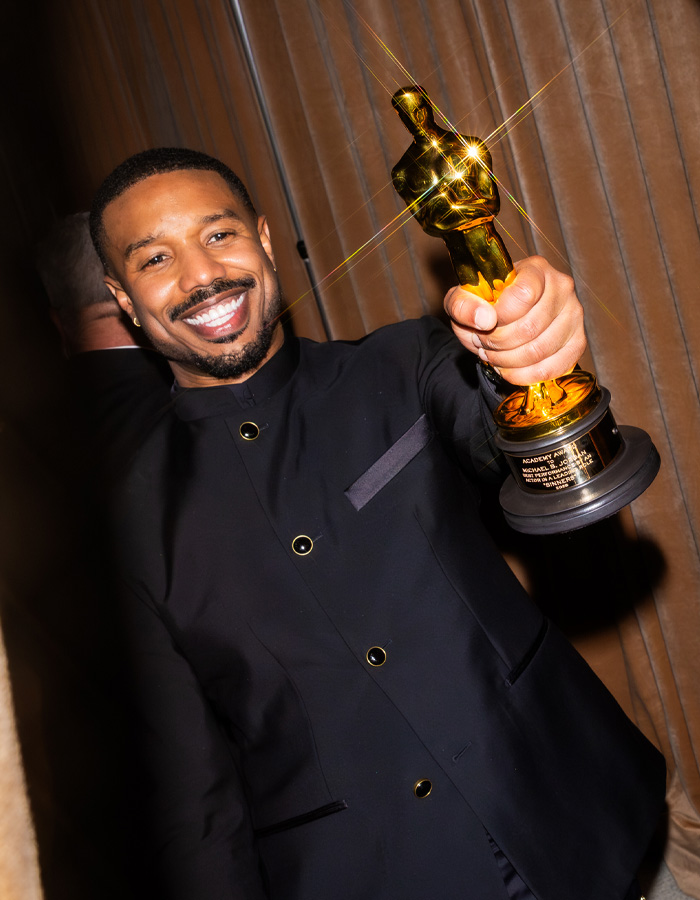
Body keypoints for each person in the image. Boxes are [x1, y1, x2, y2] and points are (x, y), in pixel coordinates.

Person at [82, 147, 664, 900]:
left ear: (263, 237)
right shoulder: (124, 526)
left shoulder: (406, 366)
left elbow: (502, 428)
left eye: (219, 234)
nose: (201, 275)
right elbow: (193, 796)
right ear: (123, 297)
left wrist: (525, 362)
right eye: (156, 257)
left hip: (569, 817)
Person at [391, 85, 512, 301]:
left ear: (429, 106)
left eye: (419, 109)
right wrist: (462, 207)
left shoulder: (470, 146)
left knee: (516, 306)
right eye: (407, 113)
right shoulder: (403, 172)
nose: (416, 118)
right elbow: (427, 224)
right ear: (400, 117)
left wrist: (445, 207)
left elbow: (492, 204)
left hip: (492, 253)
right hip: (463, 268)